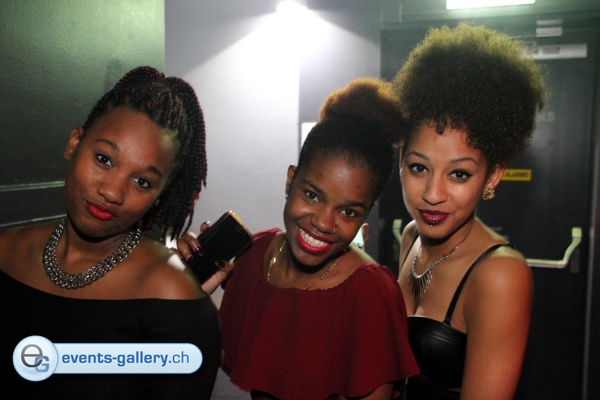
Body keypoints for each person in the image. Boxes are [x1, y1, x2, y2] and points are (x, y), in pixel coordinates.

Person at [178, 78, 420, 399]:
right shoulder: (254, 256)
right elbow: (243, 365)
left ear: (366, 214)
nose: (323, 222)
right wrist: (188, 296)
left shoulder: (370, 292)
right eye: (312, 195)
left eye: (348, 211)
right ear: (290, 179)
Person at [0, 66, 220, 399]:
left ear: (159, 195)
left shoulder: (174, 297)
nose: (113, 192)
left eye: (142, 181)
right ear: (75, 142)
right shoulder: (5, 252)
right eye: (104, 159)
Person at [393, 24, 546, 399]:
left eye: (459, 174)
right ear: (400, 162)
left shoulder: (500, 274)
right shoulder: (412, 237)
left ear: (492, 176)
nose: (432, 194)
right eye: (419, 167)